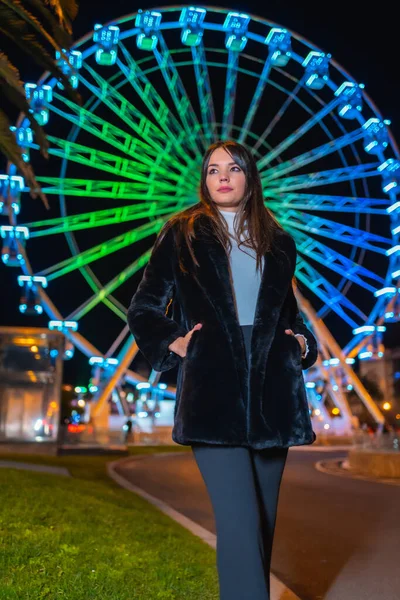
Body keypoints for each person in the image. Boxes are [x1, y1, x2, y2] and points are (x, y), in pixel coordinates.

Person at [127, 140, 318, 600]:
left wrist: (301, 344)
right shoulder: (183, 233)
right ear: (205, 180)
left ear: (249, 178)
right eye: (213, 170)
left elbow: (287, 312)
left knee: (263, 522)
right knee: (239, 520)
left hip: (274, 390)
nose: (222, 177)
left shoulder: (280, 243)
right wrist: (173, 342)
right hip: (213, 391)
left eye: (233, 168)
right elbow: (145, 306)